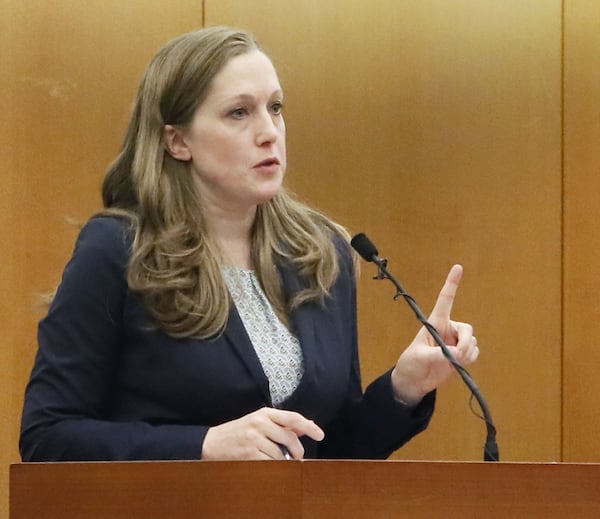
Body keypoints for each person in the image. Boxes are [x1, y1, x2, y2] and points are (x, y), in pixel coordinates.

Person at [19, 26, 479, 462]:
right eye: (239, 113)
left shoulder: (321, 255)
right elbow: (47, 436)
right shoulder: (119, 249)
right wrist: (203, 445)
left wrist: (404, 387)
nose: (268, 131)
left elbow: (327, 450)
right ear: (178, 141)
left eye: (275, 108)